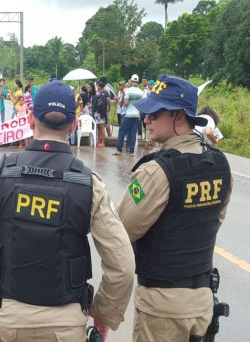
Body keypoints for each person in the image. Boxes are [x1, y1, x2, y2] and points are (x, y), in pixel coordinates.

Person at [0, 81, 135, 342]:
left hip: (9, 319)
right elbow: (122, 265)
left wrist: (5, 260)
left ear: (30, 120)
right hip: (65, 323)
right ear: (74, 125)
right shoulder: (89, 185)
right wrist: (103, 313)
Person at [118, 74, 233, 342]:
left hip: (162, 308)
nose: (146, 119)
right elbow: (215, 220)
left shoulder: (156, 171)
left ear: (179, 118)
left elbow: (121, 230)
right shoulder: (220, 164)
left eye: (154, 114)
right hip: (201, 303)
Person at [114, 74, 143, 156]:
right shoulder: (141, 92)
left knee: (122, 131)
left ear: (131, 81)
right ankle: (132, 151)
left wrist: (129, 102)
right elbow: (141, 104)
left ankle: (119, 150)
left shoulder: (128, 91)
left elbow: (126, 103)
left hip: (129, 114)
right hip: (137, 115)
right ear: (137, 81)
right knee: (133, 133)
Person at [91, 79, 109, 147]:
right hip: (97, 113)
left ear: (100, 86)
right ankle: (99, 141)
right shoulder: (99, 94)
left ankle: (103, 142)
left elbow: (101, 104)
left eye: (97, 86)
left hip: (100, 113)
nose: (96, 87)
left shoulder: (103, 94)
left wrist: (102, 113)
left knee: (101, 127)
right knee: (98, 127)